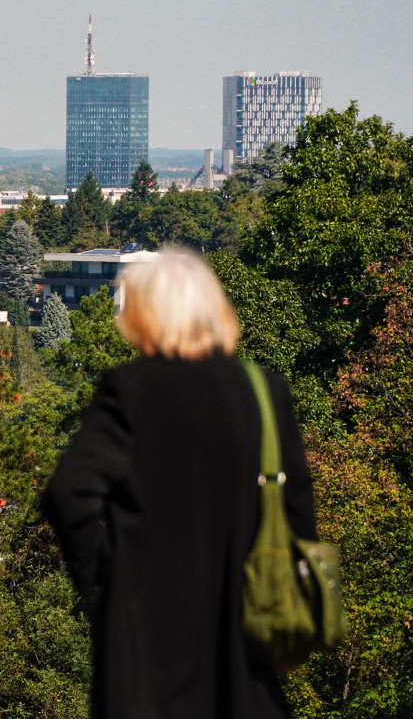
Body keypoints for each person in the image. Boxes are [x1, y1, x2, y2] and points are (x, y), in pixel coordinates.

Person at [43, 247, 317, 719]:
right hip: (245, 642)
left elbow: (69, 493)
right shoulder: (265, 392)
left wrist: (105, 585)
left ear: (143, 316)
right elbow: (298, 516)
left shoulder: (130, 390)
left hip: (145, 646)